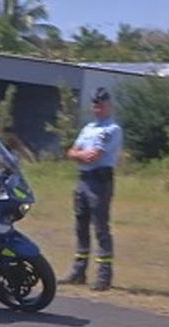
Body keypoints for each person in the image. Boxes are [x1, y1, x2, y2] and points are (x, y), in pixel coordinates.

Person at [59, 87, 123, 291]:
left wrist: (79, 155)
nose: (97, 108)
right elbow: (71, 152)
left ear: (109, 106)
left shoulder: (112, 129)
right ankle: (79, 271)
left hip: (100, 181)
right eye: (95, 105)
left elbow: (93, 156)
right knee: (81, 226)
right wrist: (78, 155)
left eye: (101, 105)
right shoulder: (88, 128)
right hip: (83, 180)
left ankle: (104, 276)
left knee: (101, 227)